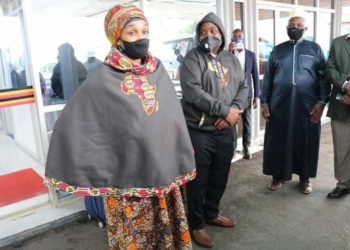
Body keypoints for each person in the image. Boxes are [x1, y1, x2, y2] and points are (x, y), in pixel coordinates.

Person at [45, 4, 196, 249]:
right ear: (118, 38)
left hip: (163, 173)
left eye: (144, 30)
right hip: (127, 184)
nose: (141, 37)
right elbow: (77, 122)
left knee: (166, 234)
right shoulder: (103, 79)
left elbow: (172, 118)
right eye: (132, 33)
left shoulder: (158, 71)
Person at [180, 12, 248, 248]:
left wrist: (234, 111)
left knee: (220, 175)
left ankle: (212, 213)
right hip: (200, 131)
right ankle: (196, 224)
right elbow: (193, 92)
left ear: (221, 33)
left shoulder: (231, 59)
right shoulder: (192, 59)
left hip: (226, 129)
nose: (209, 35)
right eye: (203, 31)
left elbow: (243, 87)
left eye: (213, 30)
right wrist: (223, 111)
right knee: (198, 180)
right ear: (198, 35)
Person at [260, 15, 329, 194]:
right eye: (291, 25)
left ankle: (304, 178)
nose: (295, 27)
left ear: (306, 29)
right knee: (278, 139)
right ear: (286, 28)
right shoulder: (277, 50)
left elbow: (323, 79)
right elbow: (267, 79)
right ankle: (278, 175)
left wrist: (321, 102)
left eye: (299, 25)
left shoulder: (315, 49)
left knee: (306, 140)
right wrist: (264, 102)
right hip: (279, 104)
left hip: (307, 105)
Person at [325, 34, 350, 199]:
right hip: (341, 103)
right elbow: (329, 69)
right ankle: (343, 184)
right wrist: (346, 85)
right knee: (341, 147)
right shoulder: (337, 42)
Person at [229, 29, 260, 159]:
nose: (237, 38)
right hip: (231, 94)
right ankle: (232, 148)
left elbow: (255, 76)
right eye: (235, 36)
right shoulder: (228, 54)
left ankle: (246, 148)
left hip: (247, 94)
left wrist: (257, 96)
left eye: (240, 36)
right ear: (231, 38)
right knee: (232, 122)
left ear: (244, 37)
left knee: (247, 122)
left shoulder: (251, 55)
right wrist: (228, 51)